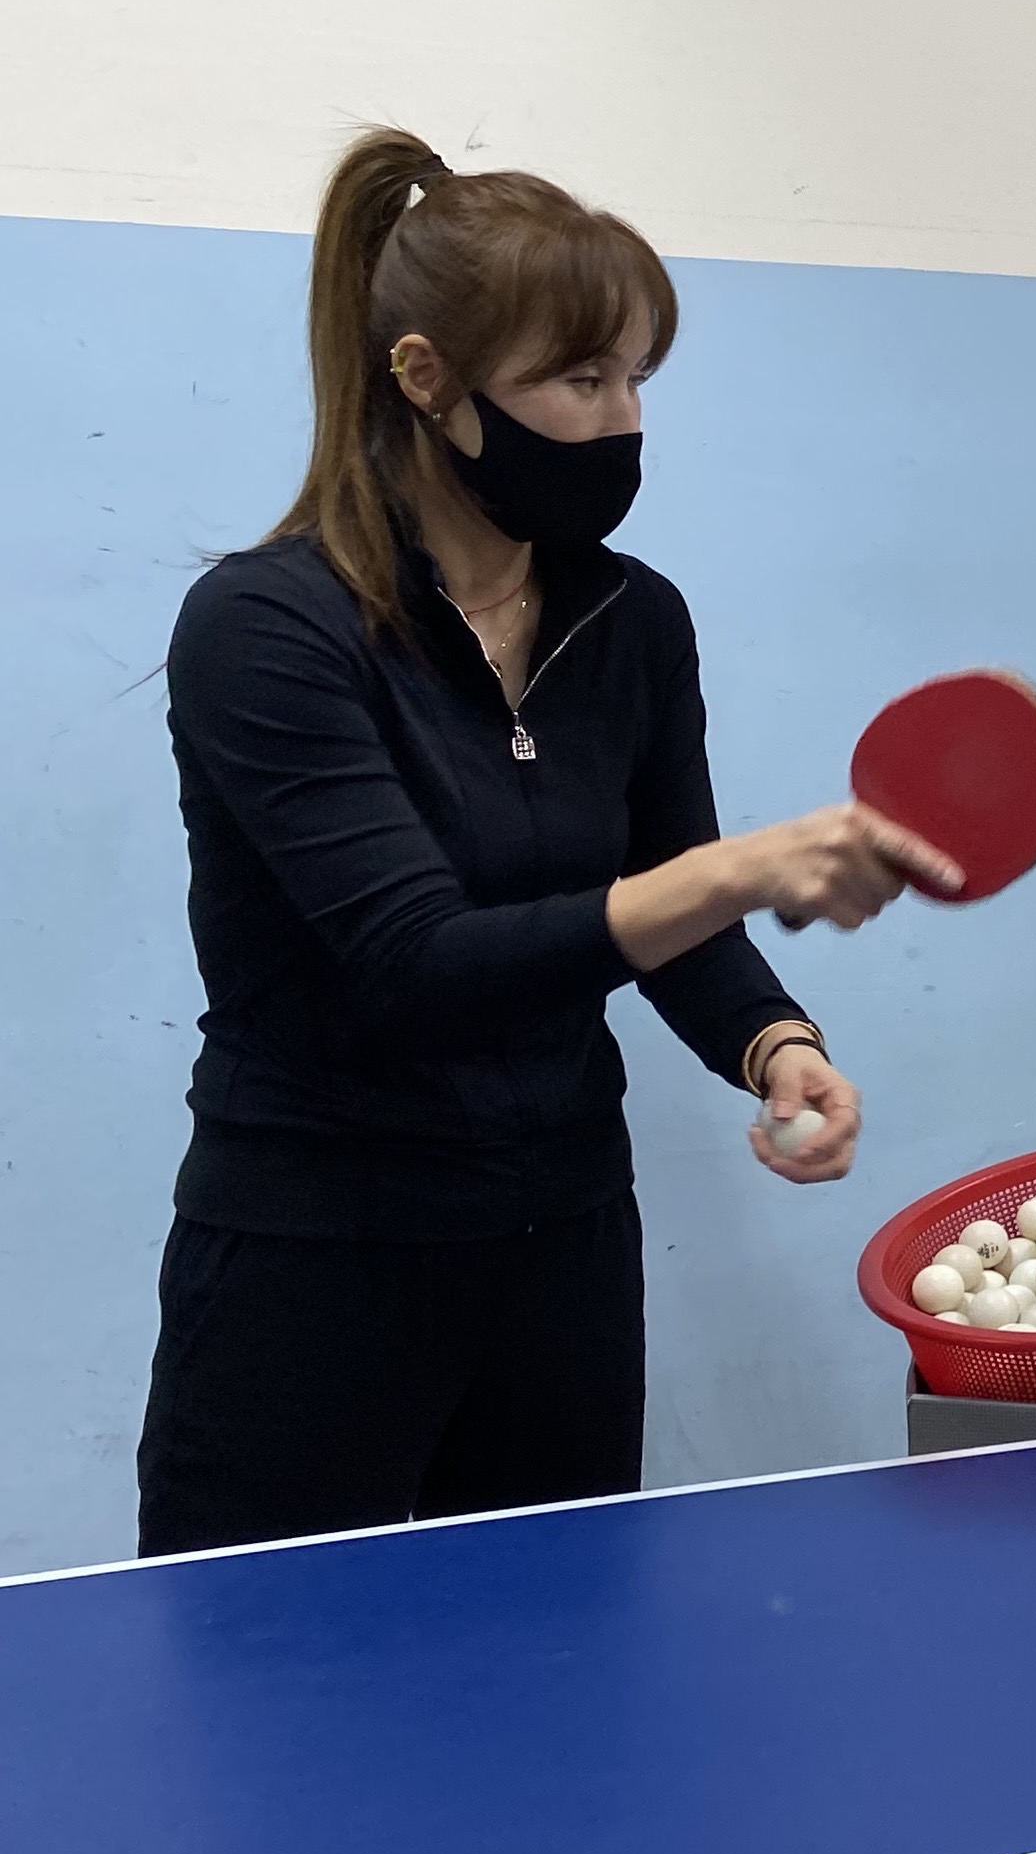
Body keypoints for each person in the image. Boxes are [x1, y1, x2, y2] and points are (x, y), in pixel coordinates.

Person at [144, 129, 959, 1557]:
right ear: (426, 379)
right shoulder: (267, 630)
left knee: (556, 1660)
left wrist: (774, 1043)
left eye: (637, 376)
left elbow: (677, 921)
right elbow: (420, 963)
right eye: (582, 379)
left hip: (561, 1248)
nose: (623, 418)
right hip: (314, 1257)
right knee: (258, 1677)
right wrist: (736, 870)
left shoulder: (634, 621)